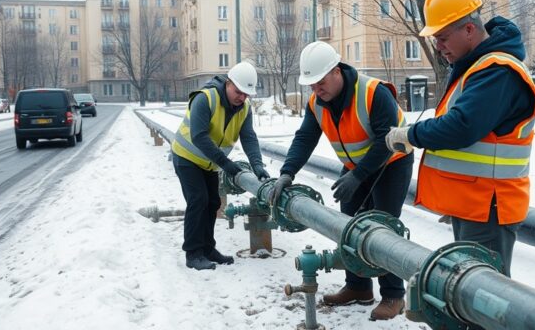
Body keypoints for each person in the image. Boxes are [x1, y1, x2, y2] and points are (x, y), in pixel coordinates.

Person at [385, 0, 535, 277]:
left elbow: (461, 127)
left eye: (442, 38)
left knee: (484, 295)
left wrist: (409, 134)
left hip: (490, 207)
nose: (438, 47)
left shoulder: (498, 71)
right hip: (477, 204)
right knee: (471, 291)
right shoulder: (477, 67)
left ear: (469, 30)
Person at [271, 41, 413, 321]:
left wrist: (358, 176)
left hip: (391, 164)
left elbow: (387, 140)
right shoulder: (317, 103)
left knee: (383, 228)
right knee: (348, 227)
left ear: (336, 71)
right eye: (311, 85)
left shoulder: (374, 93)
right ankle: (358, 287)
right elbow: (305, 138)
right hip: (353, 168)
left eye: (320, 82)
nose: (316, 90)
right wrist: (288, 172)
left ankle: (394, 295)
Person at [171, 61, 270, 271]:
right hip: (186, 157)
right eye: (238, 92)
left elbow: (249, 137)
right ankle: (193, 253)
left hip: (209, 163)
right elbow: (198, 135)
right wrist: (226, 164)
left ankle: (208, 249)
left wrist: (257, 165)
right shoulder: (205, 98)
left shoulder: (244, 109)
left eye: (246, 94)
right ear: (228, 83)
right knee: (198, 200)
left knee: (213, 202)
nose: (241, 98)